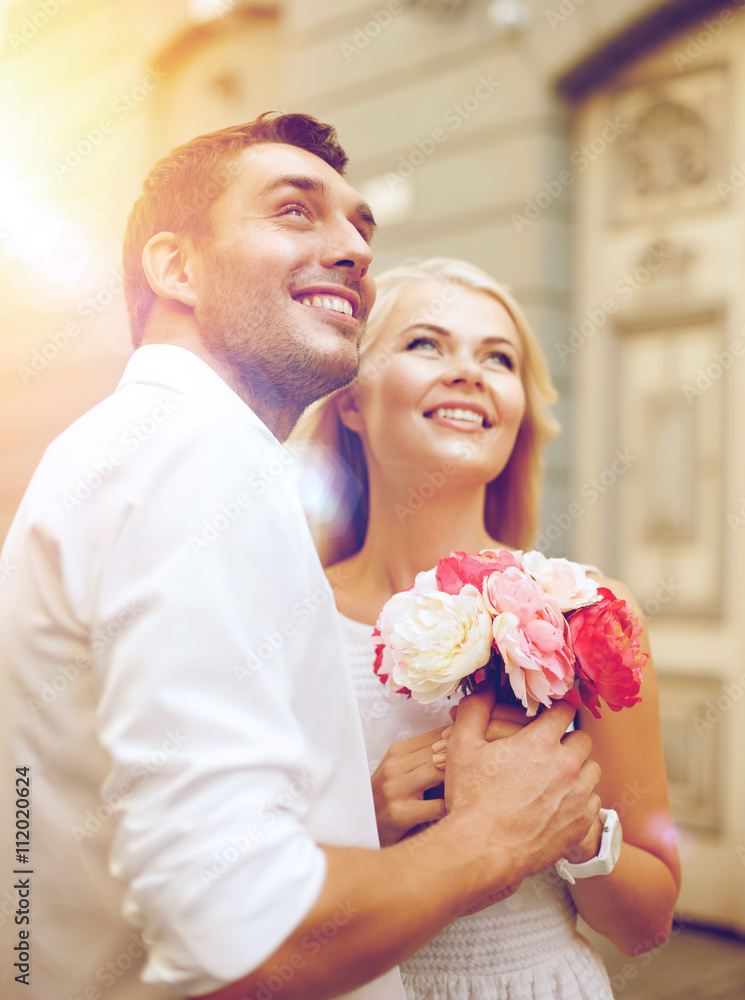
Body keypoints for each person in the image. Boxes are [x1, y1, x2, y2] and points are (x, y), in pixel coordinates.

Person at [0, 119, 602, 1000]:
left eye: (362, 228)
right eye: (295, 211)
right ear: (176, 269)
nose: (352, 249)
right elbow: (239, 933)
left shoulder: (148, 450)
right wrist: (493, 839)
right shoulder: (194, 458)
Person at [291, 257, 682, 1000]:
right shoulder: (284, 613)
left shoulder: (589, 613)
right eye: (426, 345)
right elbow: (226, 888)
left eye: (496, 358)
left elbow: (647, 923)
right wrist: (359, 822)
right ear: (349, 400)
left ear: (514, 410)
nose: (468, 372)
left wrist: (568, 827)